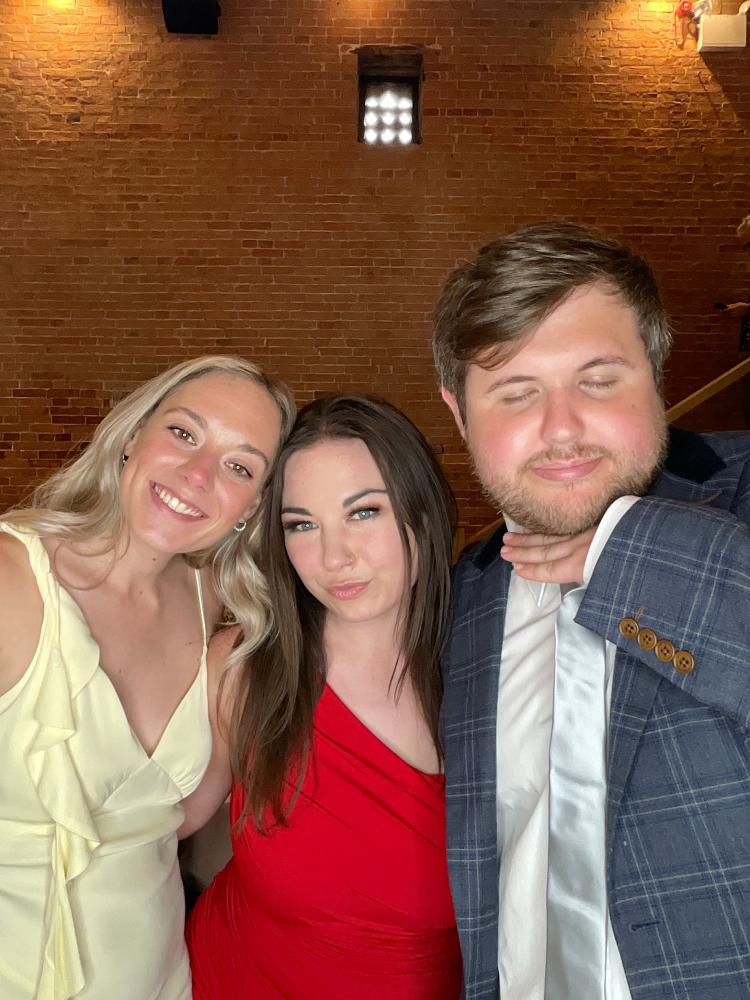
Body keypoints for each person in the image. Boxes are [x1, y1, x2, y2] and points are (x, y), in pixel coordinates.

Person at [432, 222, 750, 1000]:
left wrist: (626, 548)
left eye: (599, 380)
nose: (562, 427)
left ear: (657, 378)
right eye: (516, 393)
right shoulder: (458, 601)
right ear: (459, 414)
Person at [0, 355, 295, 1000]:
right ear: (133, 435)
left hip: (157, 978)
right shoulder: (10, 579)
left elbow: (178, 818)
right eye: (184, 433)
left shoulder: (219, 609)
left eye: (239, 467)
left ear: (253, 505)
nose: (198, 474)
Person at [185, 395, 463, 1000]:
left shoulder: (491, 676)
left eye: (364, 512)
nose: (334, 557)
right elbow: (160, 822)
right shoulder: (244, 669)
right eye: (302, 525)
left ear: (424, 510)